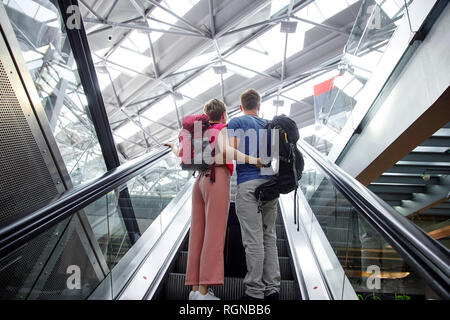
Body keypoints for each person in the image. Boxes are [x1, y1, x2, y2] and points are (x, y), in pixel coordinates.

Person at [165, 98, 261, 300]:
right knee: (213, 237)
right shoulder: (223, 129)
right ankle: (204, 292)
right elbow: (226, 153)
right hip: (216, 180)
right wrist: (254, 160)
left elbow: (182, 155)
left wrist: (172, 147)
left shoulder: (199, 133)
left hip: (198, 181)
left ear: (206, 116)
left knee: (197, 235)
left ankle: (194, 290)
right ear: (224, 115)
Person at [227, 89, 281, 300]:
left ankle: (255, 293)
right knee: (269, 238)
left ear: (241, 107)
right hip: (270, 187)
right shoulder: (270, 126)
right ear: (259, 106)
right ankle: (273, 290)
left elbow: (230, 153)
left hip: (248, 185)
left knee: (253, 240)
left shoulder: (237, 123)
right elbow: (275, 157)